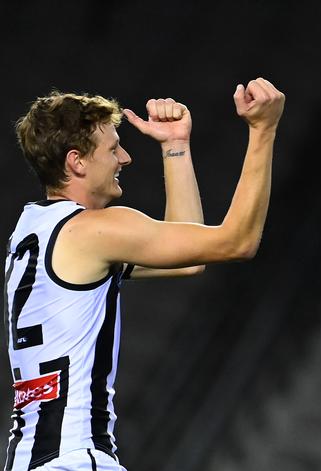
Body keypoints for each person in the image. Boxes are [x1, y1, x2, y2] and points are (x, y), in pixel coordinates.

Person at [4, 78, 284, 470]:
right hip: (75, 460)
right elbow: (237, 241)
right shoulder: (95, 230)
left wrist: (175, 147)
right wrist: (263, 131)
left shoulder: (32, 231)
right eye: (113, 149)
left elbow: (187, 257)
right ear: (76, 161)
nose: (125, 159)